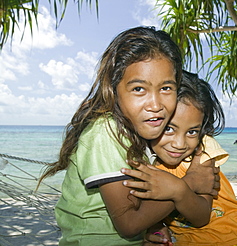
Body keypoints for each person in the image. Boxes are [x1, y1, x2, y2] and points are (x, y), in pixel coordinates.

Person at [37, 27, 219, 246]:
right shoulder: (106, 132)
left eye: (166, 88)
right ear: (114, 90)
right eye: (139, 89)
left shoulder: (141, 134)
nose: (155, 105)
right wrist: (188, 183)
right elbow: (129, 222)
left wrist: (151, 228)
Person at [123, 71, 237, 246]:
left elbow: (201, 216)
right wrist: (155, 226)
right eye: (169, 129)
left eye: (192, 132)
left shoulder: (201, 153)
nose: (180, 143)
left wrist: (179, 190)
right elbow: (145, 210)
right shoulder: (144, 159)